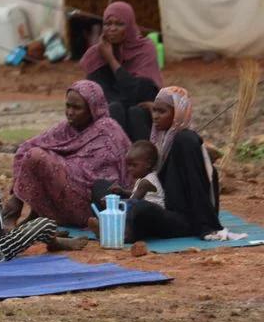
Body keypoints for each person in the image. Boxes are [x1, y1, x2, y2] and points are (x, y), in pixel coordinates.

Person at [93, 87, 223, 241]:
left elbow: (197, 186)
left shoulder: (186, 140)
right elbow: (157, 190)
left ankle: (119, 229)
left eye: (162, 112)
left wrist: (205, 226)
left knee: (141, 207)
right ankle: (116, 223)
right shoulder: (161, 140)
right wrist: (124, 193)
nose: (155, 116)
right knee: (100, 187)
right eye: (154, 111)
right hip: (160, 206)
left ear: (178, 113)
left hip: (183, 219)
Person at [4, 80, 130, 228]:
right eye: (68, 106)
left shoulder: (108, 132)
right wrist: (16, 195)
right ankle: (23, 212)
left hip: (93, 209)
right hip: (64, 199)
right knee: (33, 154)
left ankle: (15, 214)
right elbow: (26, 148)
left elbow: (109, 181)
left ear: (93, 109)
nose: (70, 112)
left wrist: (59, 167)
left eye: (77, 108)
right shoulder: (66, 128)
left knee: (37, 157)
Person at [79, 2, 162, 141]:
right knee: (115, 109)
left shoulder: (144, 48)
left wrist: (111, 60)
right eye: (107, 24)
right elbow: (97, 97)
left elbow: (137, 92)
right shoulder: (96, 55)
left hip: (141, 117)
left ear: (129, 25)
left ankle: (143, 159)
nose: (112, 29)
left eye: (119, 24)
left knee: (135, 113)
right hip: (112, 120)